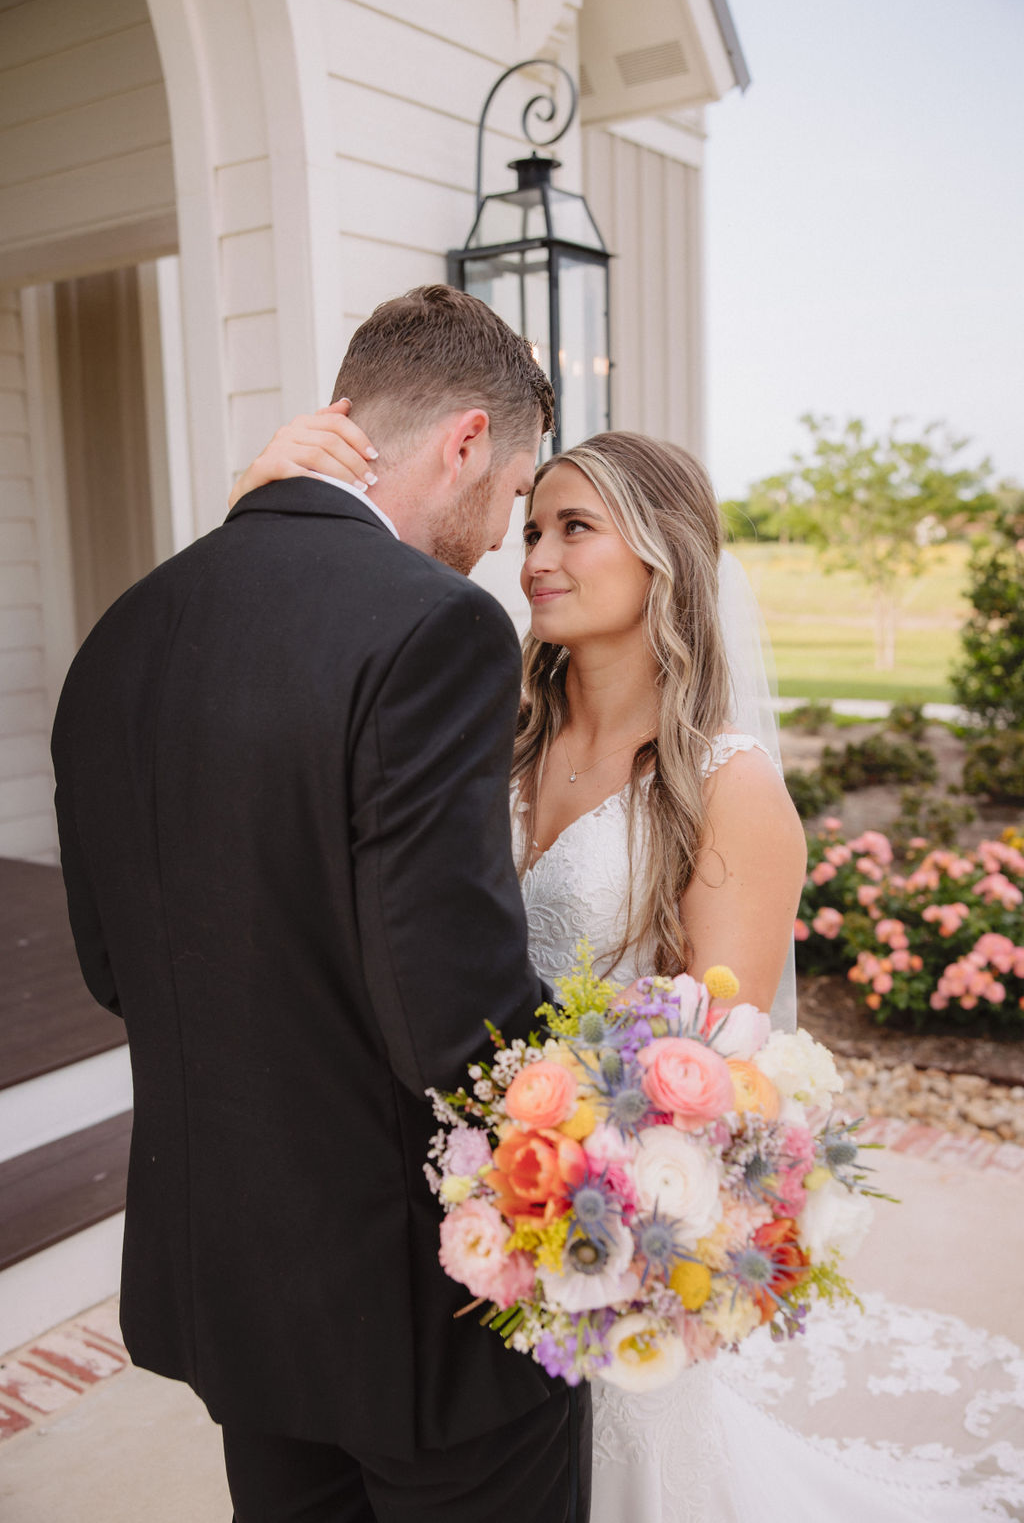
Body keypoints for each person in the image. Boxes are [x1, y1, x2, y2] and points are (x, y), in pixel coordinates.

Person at [241, 407, 1022, 1522]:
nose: (537, 559)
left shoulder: (725, 787)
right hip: (448, 1203)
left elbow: (719, 1076)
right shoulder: (486, 740)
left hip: (600, 1224)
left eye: (574, 529)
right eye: (530, 531)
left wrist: (590, 1216)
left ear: (661, 554)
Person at [51, 284, 592, 1523]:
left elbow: (110, 962)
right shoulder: (437, 627)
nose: (503, 537)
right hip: (418, 1309)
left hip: (229, 1287)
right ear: (465, 439)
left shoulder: (122, 634)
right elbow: (447, 1012)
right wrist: (609, 1160)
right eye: (512, 494)